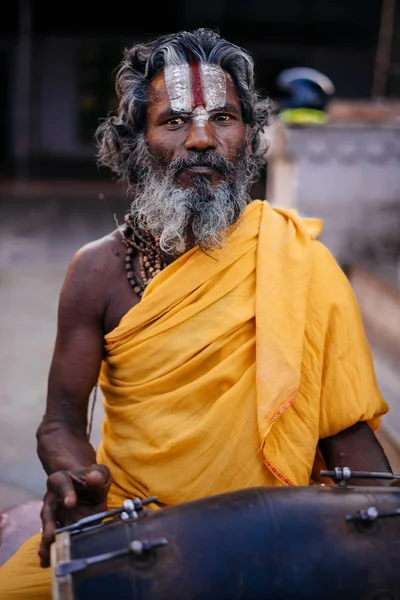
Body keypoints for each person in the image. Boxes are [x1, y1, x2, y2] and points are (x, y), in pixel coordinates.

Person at [0, 27, 392, 599]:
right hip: (134, 524)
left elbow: (348, 438)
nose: (203, 140)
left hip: (275, 530)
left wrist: (381, 536)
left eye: (224, 118)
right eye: (175, 121)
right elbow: (60, 422)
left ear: (250, 138)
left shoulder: (300, 263)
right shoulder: (97, 273)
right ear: (135, 143)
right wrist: (80, 484)